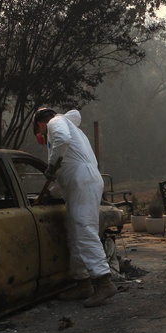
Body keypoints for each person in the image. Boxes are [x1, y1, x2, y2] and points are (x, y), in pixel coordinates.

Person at [33, 107, 116, 307]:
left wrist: (51, 166)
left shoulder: (55, 123)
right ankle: (83, 283)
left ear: (40, 123)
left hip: (83, 181)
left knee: (84, 229)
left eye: (39, 130)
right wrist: (49, 194)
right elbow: (64, 177)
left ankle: (104, 281)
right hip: (78, 182)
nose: (41, 135)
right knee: (74, 234)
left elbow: (62, 140)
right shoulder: (69, 132)